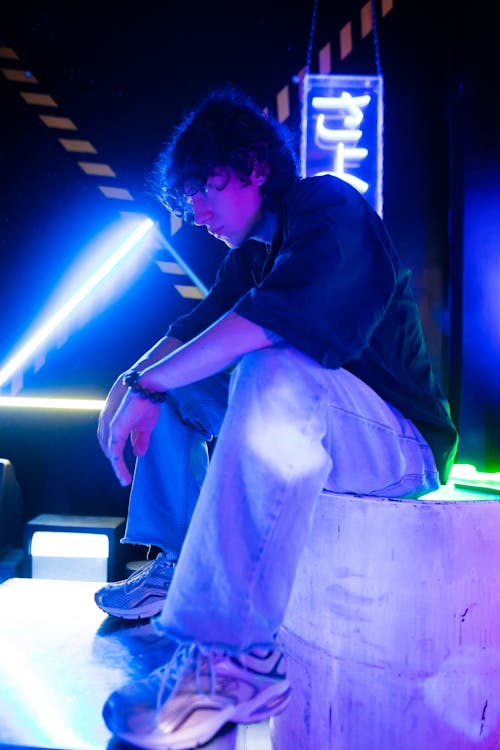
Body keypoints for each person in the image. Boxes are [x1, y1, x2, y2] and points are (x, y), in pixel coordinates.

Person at [96, 84, 458, 749]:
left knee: (272, 362)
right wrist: (129, 386)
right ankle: (182, 565)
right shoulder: (250, 258)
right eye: (185, 201)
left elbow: (274, 327)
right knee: (184, 386)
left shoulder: (329, 207)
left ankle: (233, 660)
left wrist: (146, 382)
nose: (195, 212)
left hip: (403, 446)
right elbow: (191, 333)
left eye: (202, 186)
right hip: (325, 429)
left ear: (253, 166)